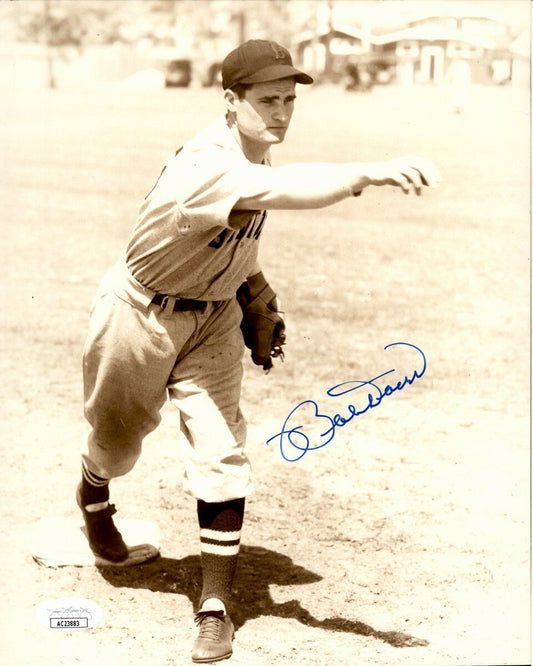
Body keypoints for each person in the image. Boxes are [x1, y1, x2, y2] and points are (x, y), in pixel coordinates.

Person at [77, 39, 440, 663]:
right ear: (230, 101)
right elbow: (288, 191)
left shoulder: (257, 153)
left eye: (289, 100)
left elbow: (238, 241)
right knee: (118, 444)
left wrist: (257, 296)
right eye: (267, 99)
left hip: (212, 319)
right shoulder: (206, 162)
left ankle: (214, 606)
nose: (281, 112)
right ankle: (93, 496)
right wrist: (366, 172)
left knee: (222, 451)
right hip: (139, 313)